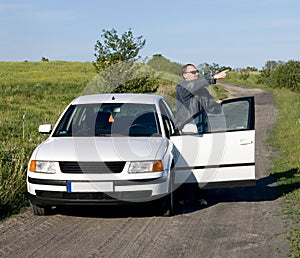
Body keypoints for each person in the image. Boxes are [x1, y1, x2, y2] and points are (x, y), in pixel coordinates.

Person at [175, 63, 229, 207]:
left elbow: (213, 109)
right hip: (187, 130)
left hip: (202, 130)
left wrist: (217, 104)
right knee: (185, 166)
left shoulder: (202, 91)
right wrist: (214, 77)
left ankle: (200, 197)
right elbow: (194, 85)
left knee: (202, 164)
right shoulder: (181, 87)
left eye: (197, 71)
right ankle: (183, 197)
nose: (196, 74)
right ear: (185, 75)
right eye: (193, 72)